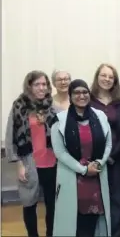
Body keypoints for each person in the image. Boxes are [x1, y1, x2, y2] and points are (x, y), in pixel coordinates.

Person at [51, 79, 112, 237]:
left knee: (93, 221)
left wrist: (99, 163)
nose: (81, 95)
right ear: (70, 96)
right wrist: (84, 170)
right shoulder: (60, 121)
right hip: (72, 178)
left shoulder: (100, 116)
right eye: (76, 92)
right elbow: (60, 152)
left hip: (96, 177)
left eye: (85, 92)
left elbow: (108, 144)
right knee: (73, 222)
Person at [5, 71, 58, 237]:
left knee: (52, 204)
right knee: (29, 204)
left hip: (52, 162)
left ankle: (51, 233)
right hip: (29, 163)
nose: (41, 88)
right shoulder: (19, 105)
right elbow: (11, 136)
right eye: (37, 84)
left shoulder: (51, 106)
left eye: (44, 84)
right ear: (29, 86)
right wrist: (18, 164)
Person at [90, 63, 120, 237]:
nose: (106, 79)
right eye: (103, 75)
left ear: (115, 81)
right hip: (93, 160)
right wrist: (99, 158)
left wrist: (111, 155)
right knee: (94, 200)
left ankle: (115, 233)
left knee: (116, 201)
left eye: (110, 77)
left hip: (117, 159)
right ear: (97, 77)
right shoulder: (88, 100)